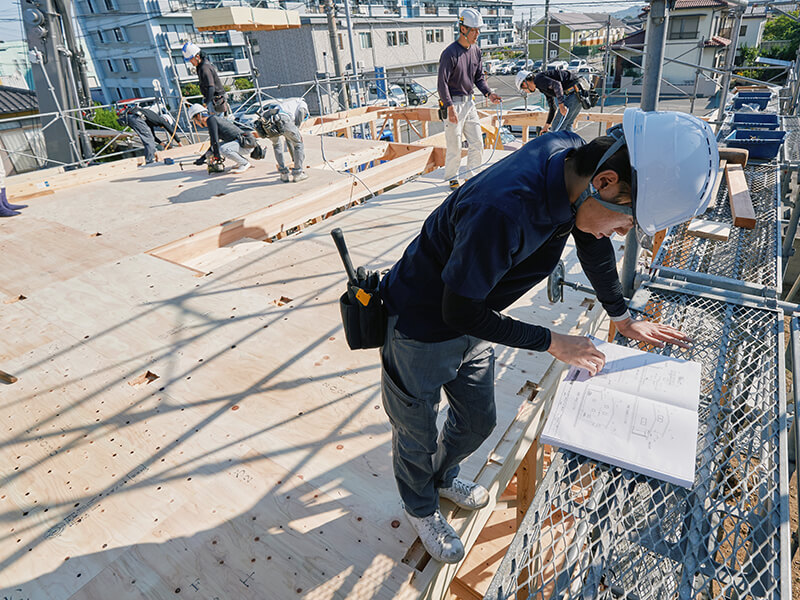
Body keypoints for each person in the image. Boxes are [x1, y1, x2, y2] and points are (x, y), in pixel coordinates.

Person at [377, 108, 719, 563]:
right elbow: (456, 309)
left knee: (477, 420)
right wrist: (553, 342)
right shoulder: (503, 209)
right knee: (416, 430)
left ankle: (440, 479)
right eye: (625, 223)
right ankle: (420, 505)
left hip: (475, 310)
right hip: (422, 325)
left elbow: (592, 241)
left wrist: (620, 315)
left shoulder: (571, 166)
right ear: (605, 182)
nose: (618, 235)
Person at [437, 7, 501, 190]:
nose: (477, 34)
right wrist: (449, 107)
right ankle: (452, 177)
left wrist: (489, 93)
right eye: (474, 30)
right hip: (453, 104)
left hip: (469, 102)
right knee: (455, 145)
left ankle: (471, 177)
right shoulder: (450, 53)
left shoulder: (476, 51)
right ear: (463, 28)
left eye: (478, 30)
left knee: (477, 142)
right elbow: (442, 84)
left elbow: (479, 78)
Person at [187, 103, 252, 174]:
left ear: (198, 116)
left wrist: (217, 156)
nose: (195, 123)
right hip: (244, 143)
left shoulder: (211, 120)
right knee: (219, 148)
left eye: (194, 120)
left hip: (246, 144)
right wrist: (202, 158)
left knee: (223, 149)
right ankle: (241, 161)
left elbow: (214, 140)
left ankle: (244, 163)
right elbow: (213, 145)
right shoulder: (212, 119)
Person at [516, 68, 584, 133]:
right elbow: (552, 106)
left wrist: (561, 105)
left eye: (523, 89)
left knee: (556, 129)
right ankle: (573, 144)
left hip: (573, 93)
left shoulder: (538, 80)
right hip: (578, 93)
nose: (525, 91)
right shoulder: (541, 86)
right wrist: (546, 126)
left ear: (524, 84)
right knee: (567, 125)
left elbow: (557, 85)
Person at [252, 102, 307, 183]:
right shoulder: (302, 104)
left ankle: (283, 174)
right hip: (282, 119)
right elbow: (301, 112)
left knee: (276, 145)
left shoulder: (287, 104)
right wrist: (296, 130)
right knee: (298, 144)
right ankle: (298, 174)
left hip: (267, 122)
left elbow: (288, 139)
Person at [118, 104, 182, 164]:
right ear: (166, 120)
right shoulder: (161, 120)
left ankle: (149, 159)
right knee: (149, 140)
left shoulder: (151, 120)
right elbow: (171, 131)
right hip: (136, 117)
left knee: (149, 137)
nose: (163, 127)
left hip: (132, 117)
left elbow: (153, 136)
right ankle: (149, 161)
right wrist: (179, 142)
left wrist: (162, 144)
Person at [182, 42, 230, 116]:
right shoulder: (202, 65)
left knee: (219, 124)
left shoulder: (204, 68)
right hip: (215, 99)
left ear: (197, 56)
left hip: (216, 100)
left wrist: (206, 103)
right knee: (218, 124)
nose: (190, 62)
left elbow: (211, 87)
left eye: (191, 59)